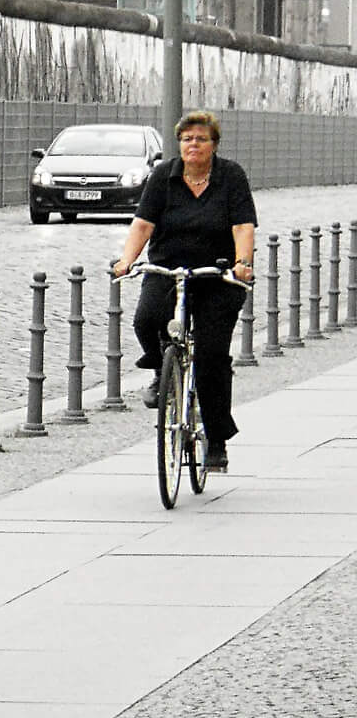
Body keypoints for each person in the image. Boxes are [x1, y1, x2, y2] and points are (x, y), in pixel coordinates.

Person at [111, 110, 257, 471]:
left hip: (216, 276)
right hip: (169, 269)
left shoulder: (230, 176)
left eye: (202, 139)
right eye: (188, 139)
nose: (194, 145)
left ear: (214, 145)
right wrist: (126, 260)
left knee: (210, 359)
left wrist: (242, 262)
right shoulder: (164, 175)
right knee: (146, 320)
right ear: (180, 144)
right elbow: (143, 224)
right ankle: (162, 368)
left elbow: (242, 226)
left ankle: (217, 441)